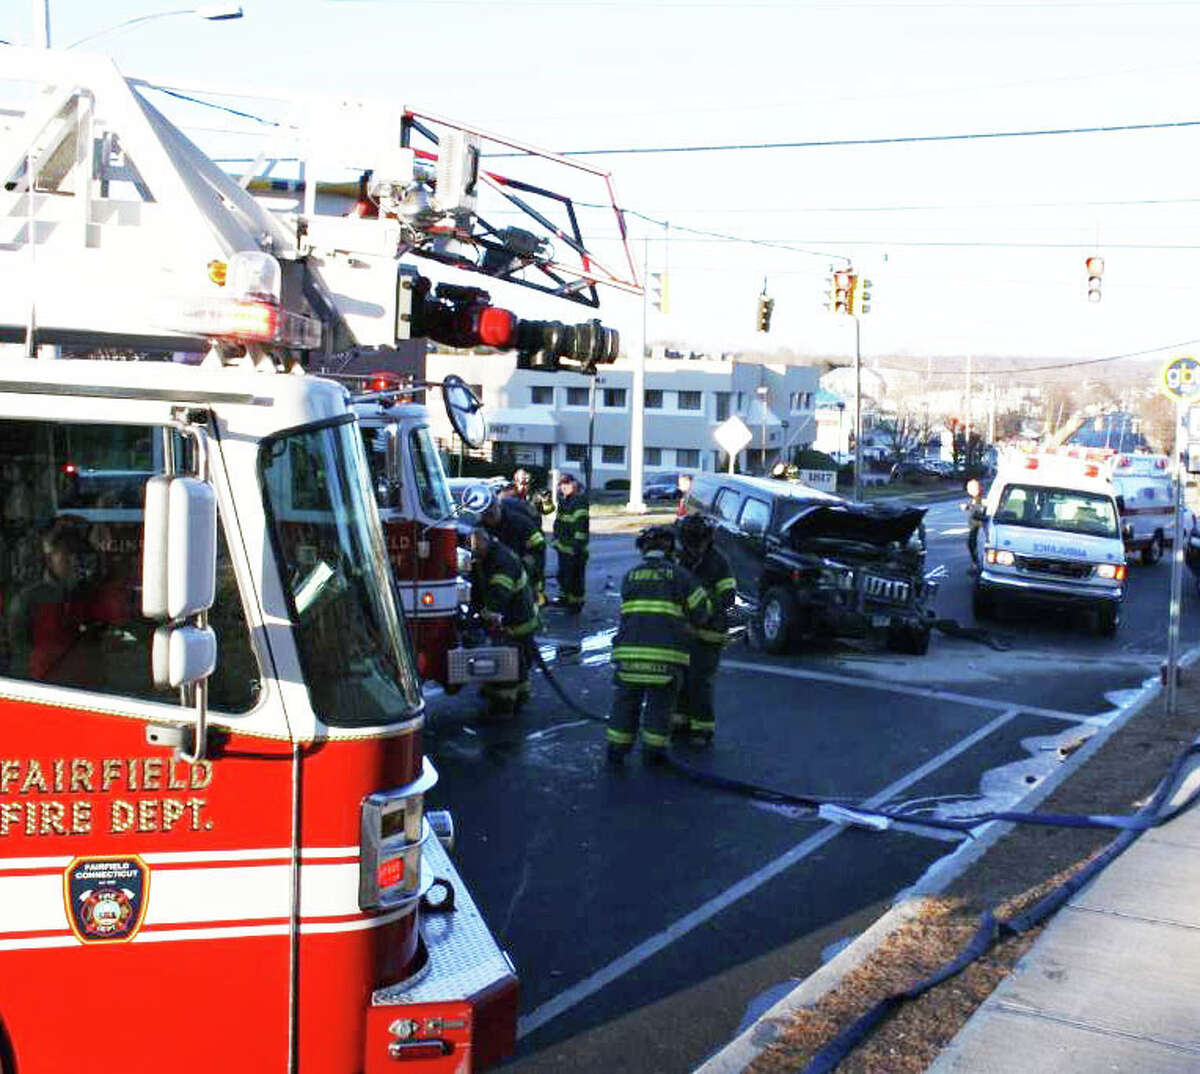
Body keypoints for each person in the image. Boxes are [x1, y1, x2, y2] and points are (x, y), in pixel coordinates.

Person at [607, 525, 711, 767]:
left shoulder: (630, 576)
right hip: (666, 658)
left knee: (625, 703)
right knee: (659, 707)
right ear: (671, 549)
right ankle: (653, 753)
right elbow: (702, 612)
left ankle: (616, 749)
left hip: (628, 656)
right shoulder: (681, 576)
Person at [674, 514, 735, 746]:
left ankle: (702, 729)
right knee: (679, 678)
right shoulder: (681, 559)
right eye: (689, 541)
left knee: (700, 681)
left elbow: (727, 598)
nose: (693, 547)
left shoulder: (718, 561)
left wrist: (700, 613)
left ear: (707, 540)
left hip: (709, 632)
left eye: (697, 542)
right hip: (683, 630)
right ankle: (679, 721)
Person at [469, 527, 540, 719]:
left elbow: (499, 595)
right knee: (519, 661)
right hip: (517, 618)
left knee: (508, 663)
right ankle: (520, 696)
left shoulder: (500, 561)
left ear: (483, 543)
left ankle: (504, 705)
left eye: (476, 550)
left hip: (516, 622)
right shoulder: (489, 555)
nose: (474, 554)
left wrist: (486, 614)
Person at [482, 486, 547, 605]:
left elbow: (538, 546)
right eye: (485, 515)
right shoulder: (480, 529)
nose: (489, 519)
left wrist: (524, 565)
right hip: (496, 580)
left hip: (525, 579)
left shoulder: (520, 523)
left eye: (491, 513)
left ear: (498, 506)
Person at [552, 472, 590, 613]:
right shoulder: (565, 500)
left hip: (575, 549)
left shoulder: (578, 501)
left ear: (574, 484)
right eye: (562, 484)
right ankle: (564, 598)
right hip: (563, 547)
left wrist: (577, 547)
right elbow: (560, 523)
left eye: (567, 483)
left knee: (575, 579)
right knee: (563, 576)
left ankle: (575, 604)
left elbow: (581, 528)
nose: (564, 487)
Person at [963, 477, 985, 571]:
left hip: (977, 527)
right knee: (971, 544)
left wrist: (969, 507)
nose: (969, 490)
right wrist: (968, 507)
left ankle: (977, 565)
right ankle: (975, 564)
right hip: (974, 526)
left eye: (971, 488)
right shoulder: (975, 498)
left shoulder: (979, 499)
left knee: (973, 545)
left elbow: (979, 511)